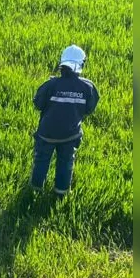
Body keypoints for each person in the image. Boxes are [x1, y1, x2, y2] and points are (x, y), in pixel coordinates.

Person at [30, 44, 99, 195]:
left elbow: (38, 104)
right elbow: (89, 109)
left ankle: (35, 189)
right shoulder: (88, 87)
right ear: (81, 64)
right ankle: (61, 192)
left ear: (62, 63)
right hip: (71, 135)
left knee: (41, 160)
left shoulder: (50, 85)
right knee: (66, 162)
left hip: (46, 134)